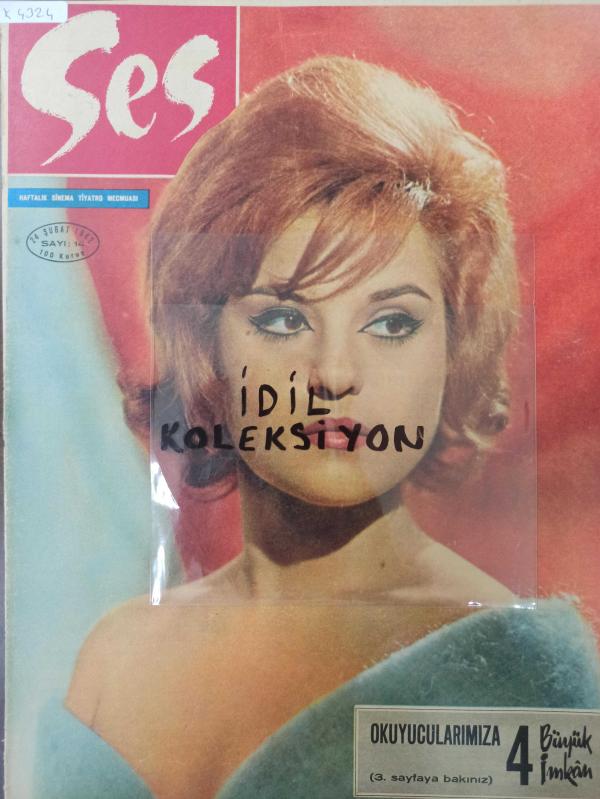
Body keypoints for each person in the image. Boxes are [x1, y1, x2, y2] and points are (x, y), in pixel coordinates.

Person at [48, 57, 599, 799]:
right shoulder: (114, 655)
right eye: (283, 318)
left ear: (454, 351)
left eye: (391, 322)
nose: (334, 374)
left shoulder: (523, 669)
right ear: (207, 346)